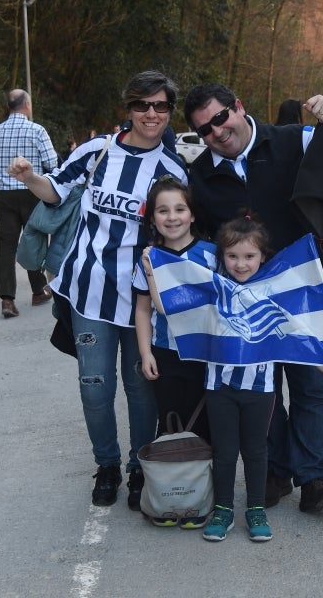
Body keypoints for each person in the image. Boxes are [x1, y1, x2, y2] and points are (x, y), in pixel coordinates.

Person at [183, 83, 323, 513]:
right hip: (246, 298)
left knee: (309, 384)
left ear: (238, 107)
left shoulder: (294, 140)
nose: (217, 133)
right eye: (204, 130)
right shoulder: (201, 175)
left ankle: (315, 479)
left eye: (220, 119)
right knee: (263, 390)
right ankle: (276, 472)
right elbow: (199, 235)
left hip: (304, 287)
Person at [8, 70, 187, 509]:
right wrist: (30, 177)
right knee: (94, 386)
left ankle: (139, 469)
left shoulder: (171, 168)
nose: (151, 113)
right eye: (143, 105)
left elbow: (181, 225)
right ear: (128, 108)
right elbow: (55, 192)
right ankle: (106, 465)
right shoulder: (97, 151)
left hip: (142, 301)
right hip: (88, 291)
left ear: (168, 112)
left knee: (141, 387)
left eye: (160, 106)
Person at [144, 215, 323, 542]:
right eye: (233, 256)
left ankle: (255, 510)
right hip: (219, 389)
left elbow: (299, 334)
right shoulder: (213, 289)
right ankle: (223, 509)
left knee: (256, 452)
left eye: (249, 256)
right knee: (224, 452)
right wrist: (154, 272)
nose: (241, 264)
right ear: (221, 257)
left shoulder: (273, 292)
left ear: (263, 256)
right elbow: (168, 307)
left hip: (260, 391)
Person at [132, 176, 215, 527]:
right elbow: (142, 310)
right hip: (165, 354)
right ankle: (169, 497)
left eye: (180, 209)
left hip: (205, 355)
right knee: (169, 423)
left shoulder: (212, 254)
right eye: (163, 211)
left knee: (205, 428)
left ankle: (200, 500)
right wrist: (146, 352)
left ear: (192, 214)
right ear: (153, 219)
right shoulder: (149, 258)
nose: (172, 217)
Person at [0, 89, 58, 318]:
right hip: (31, 191)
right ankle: (38, 291)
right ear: (27, 105)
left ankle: (7, 300)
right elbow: (51, 162)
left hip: (4, 195)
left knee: (5, 246)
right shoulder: (37, 130)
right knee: (34, 241)